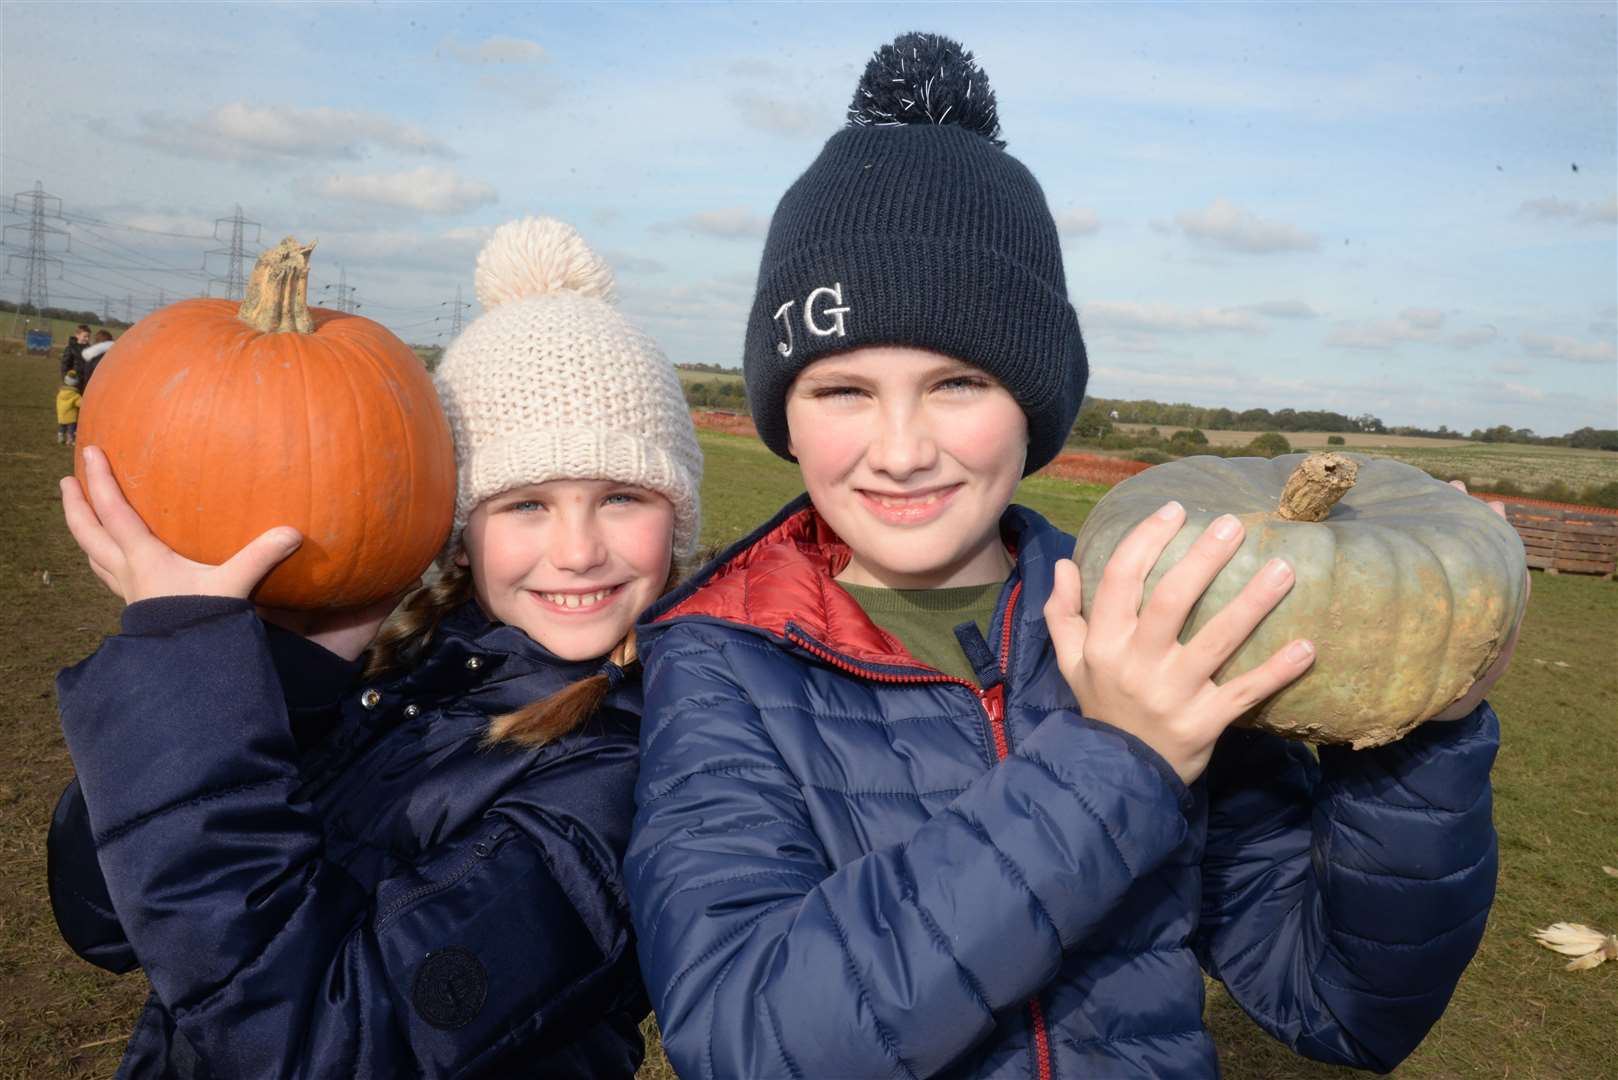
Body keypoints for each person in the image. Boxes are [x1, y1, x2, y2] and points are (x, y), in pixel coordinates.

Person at [625, 33, 1513, 1079]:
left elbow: (1344, 1004)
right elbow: (748, 1032)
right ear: (784, 412)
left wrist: (1411, 740)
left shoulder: (1153, 617)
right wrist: (1119, 762)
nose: (902, 451)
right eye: (841, 390)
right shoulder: (722, 658)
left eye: (958, 383)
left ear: (1033, 402)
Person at [47, 217, 703, 1078]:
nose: (578, 550)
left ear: (679, 517)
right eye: (526, 504)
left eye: (621, 496)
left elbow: (325, 1042)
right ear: (461, 529)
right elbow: (104, 917)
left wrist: (181, 663)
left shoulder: (629, 778)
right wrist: (289, 664)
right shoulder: (418, 672)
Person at [56, 369, 82, 445]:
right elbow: (80, 403)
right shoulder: (75, 395)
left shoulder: (61, 393)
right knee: (71, 428)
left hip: (62, 414)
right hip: (71, 416)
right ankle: (70, 440)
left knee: (62, 427)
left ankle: (60, 438)